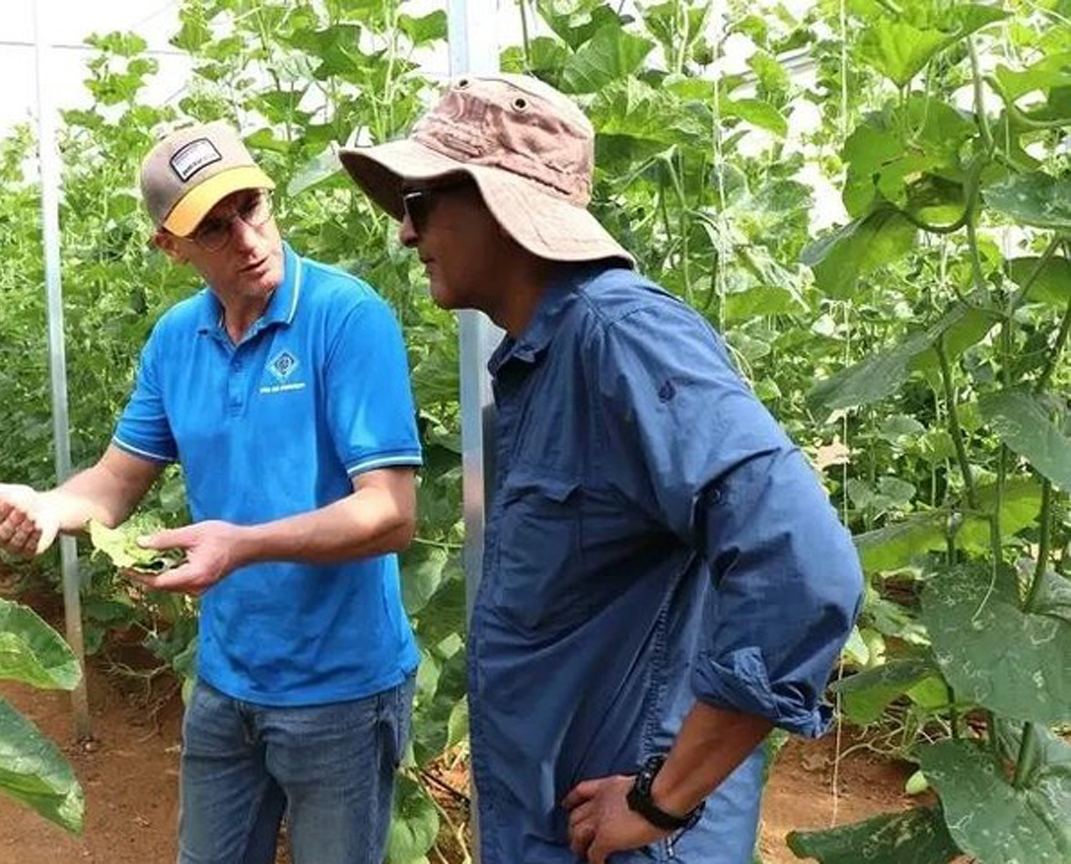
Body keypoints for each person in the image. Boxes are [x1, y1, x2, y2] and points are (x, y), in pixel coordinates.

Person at [339, 74, 863, 864]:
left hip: (627, 840)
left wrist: (664, 796)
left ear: (501, 201)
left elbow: (805, 565)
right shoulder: (544, 357)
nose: (406, 235)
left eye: (419, 204)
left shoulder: (621, 337)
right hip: (564, 825)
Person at [0, 120, 423, 864]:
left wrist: (242, 546)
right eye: (213, 228)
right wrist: (52, 506)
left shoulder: (347, 316)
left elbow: (390, 514)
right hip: (226, 679)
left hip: (340, 690)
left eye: (251, 208)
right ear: (170, 248)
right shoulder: (177, 339)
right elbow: (114, 482)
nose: (246, 237)